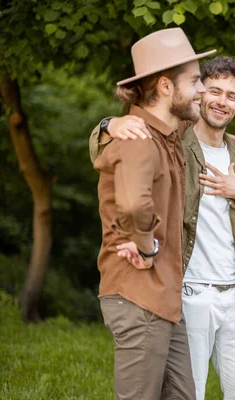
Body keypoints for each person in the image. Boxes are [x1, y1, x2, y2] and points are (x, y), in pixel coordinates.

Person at [90, 56, 235, 400]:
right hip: (187, 290)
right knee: (191, 390)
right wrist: (108, 123)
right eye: (211, 90)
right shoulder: (176, 141)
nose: (219, 100)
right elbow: (115, 154)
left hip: (234, 293)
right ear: (198, 95)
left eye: (232, 96)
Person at [93, 27, 215, 400]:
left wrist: (102, 125)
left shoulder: (169, 134)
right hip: (138, 294)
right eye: (195, 80)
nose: (202, 89)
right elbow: (132, 204)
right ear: (165, 86)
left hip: (163, 296)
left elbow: (215, 128)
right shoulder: (138, 138)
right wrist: (145, 245)